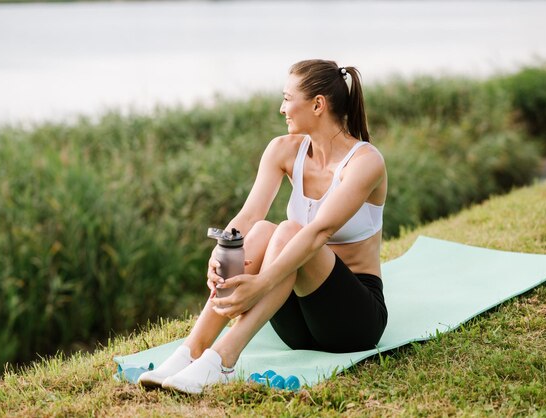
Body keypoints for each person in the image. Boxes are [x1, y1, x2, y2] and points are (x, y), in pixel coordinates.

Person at [138, 59, 388, 394]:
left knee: (288, 230)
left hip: (353, 321)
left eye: (287, 98)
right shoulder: (283, 150)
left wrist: (260, 283)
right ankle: (191, 351)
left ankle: (223, 360)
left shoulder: (365, 162)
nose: (281, 108)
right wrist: (222, 253)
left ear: (317, 104)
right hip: (299, 325)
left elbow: (318, 234)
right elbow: (250, 214)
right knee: (259, 233)